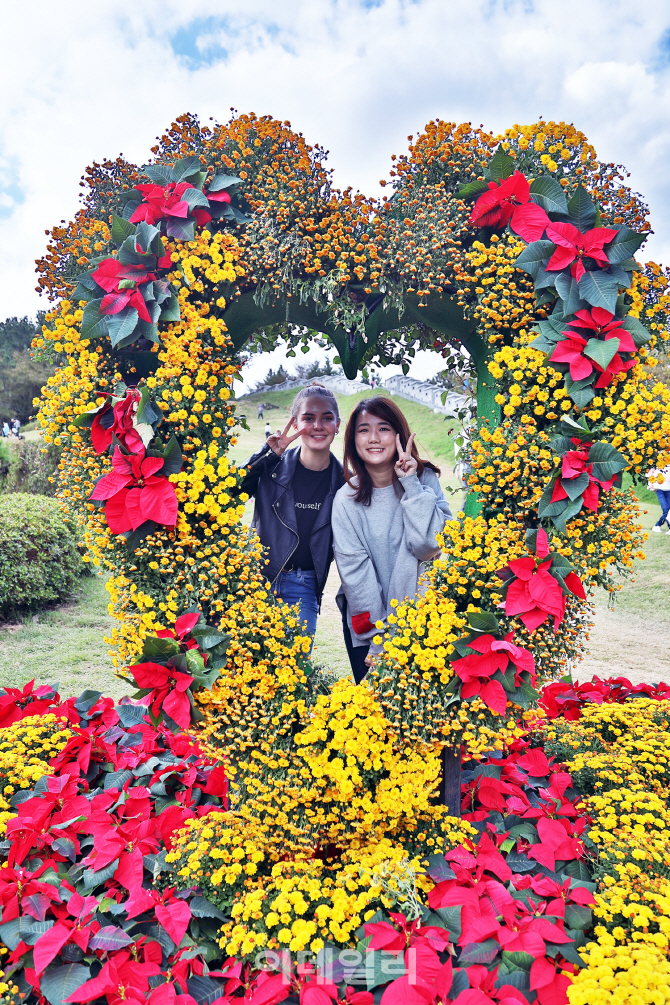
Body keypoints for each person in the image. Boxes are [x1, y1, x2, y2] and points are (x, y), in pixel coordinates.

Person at [332, 397, 452, 683]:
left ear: (399, 434)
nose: (373, 438)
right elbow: (356, 577)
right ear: (353, 441)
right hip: (369, 628)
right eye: (363, 430)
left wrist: (410, 484)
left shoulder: (424, 481)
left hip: (424, 621)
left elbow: (428, 546)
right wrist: (379, 641)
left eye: (383, 428)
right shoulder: (346, 499)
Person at [238, 382, 345, 642]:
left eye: (326, 418)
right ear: (295, 423)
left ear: (337, 425)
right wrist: (266, 455)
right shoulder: (272, 467)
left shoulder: (345, 482)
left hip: (304, 587)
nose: (318, 426)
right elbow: (231, 491)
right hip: (257, 580)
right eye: (309, 418)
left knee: (294, 670)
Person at [647, 465, 670, 533]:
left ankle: (657, 525)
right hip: (660, 489)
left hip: (669, 489)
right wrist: (650, 485)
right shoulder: (657, 463)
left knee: (668, 510)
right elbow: (650, 474)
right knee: (666, 509)